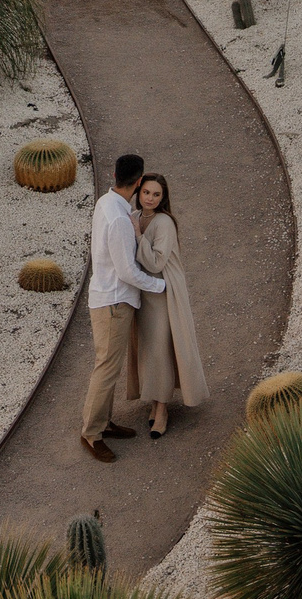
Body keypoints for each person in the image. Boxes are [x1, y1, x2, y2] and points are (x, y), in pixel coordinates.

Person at [83, 153, 165, 462]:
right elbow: (127, 271)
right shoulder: (118, 218)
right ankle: (91, 434)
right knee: (106, 368)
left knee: (109, 366)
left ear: (115, 175)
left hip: (109, 298)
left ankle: (104, 423)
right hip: (114, 302)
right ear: (139, 181)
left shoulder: (108, 203)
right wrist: (159, 286)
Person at [124, 172, 208, 437]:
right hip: (143, 291)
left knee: (161, 346)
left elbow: (156, 263)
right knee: (149, 346)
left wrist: (138, 236)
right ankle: (154, 400)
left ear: (163, 197)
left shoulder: (164, 222)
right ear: (139, 192)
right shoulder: (135, 216)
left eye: (156, 194)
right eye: (146, 192)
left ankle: (162, 409)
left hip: (164, 292)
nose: (150, 198)